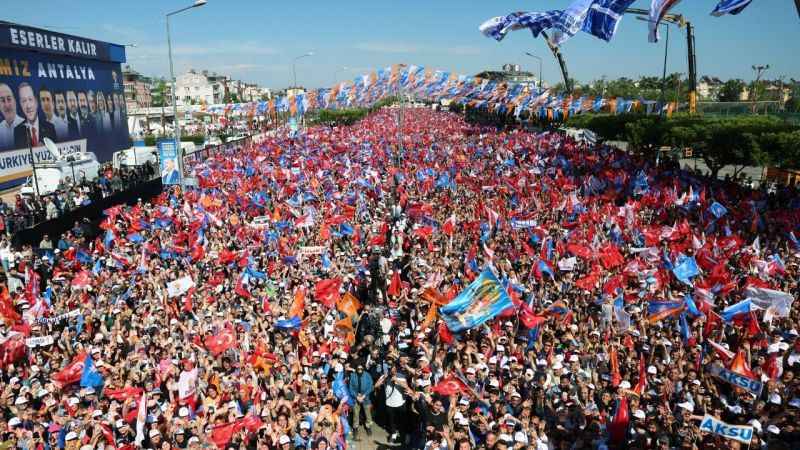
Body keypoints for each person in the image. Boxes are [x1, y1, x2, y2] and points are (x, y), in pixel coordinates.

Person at [14, 82, 57, 148]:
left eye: (30, 99)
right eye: (24, 101)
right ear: (20, 105)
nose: (28, 106)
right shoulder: (18, 131)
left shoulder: (50, 128)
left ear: (36, 102)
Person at [348, 364, 374, 439]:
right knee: (355, 413)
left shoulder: (367, 375)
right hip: (356, 396)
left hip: (365, 396)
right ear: (356, 369)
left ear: (363, 369)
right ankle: (355, 428)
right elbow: (351, 388)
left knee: (368, 413)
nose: (359, 370)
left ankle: (368, 427)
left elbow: (370, 387)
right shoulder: (353, 375)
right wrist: (356, 396)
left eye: (361, 369)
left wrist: (363, 396)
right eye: (358, 369)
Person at [0, 83, 23, 150]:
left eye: (9, 99)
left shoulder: (26, 126)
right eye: (2, 100)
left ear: (15, 101)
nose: (7, 105)